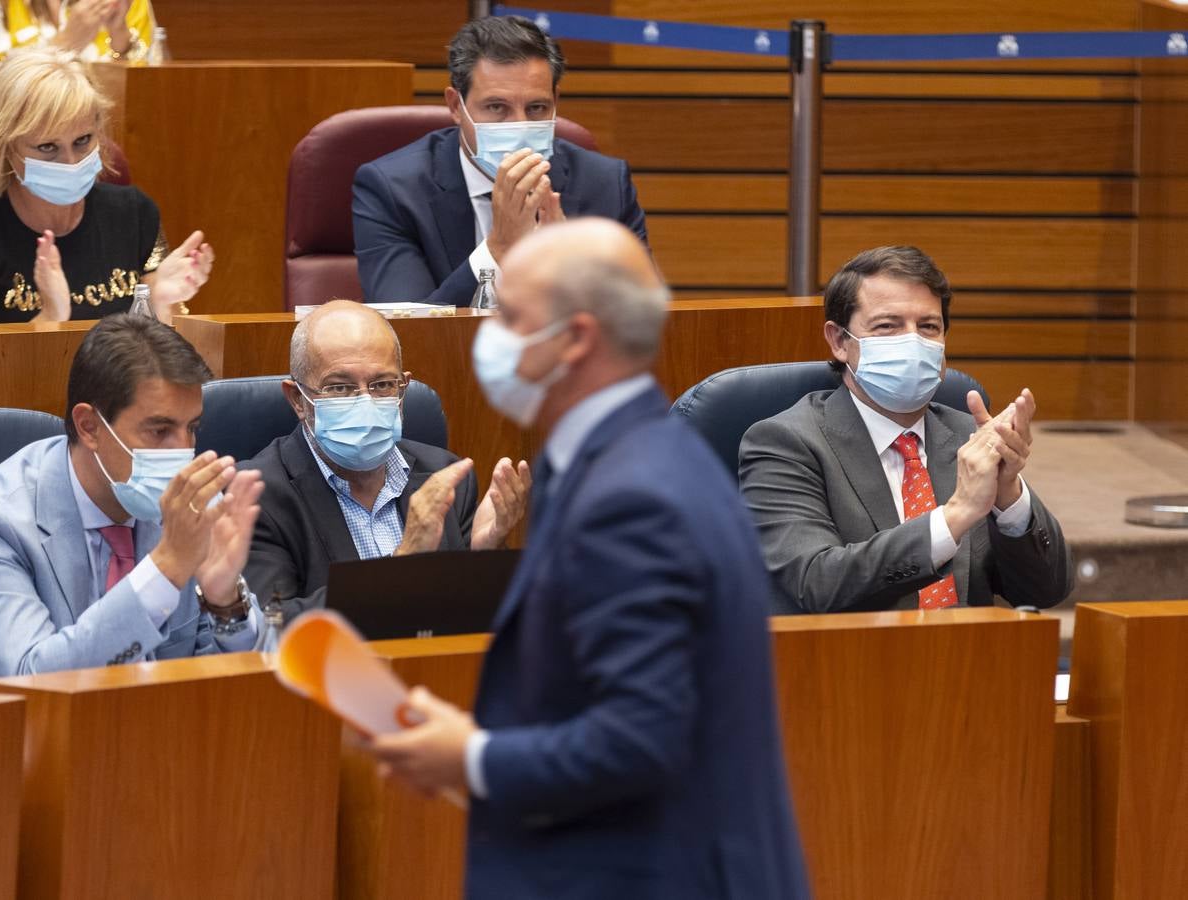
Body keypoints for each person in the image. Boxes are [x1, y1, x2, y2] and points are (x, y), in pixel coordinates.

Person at [369, 220, 810, 899]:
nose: (489, 334)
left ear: (574, 338)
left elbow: (641, 737)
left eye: (510, 316)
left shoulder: (629, 497)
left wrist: (470, 756)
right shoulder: (644, 456)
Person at [0, 315, 266, 691]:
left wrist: (225, 603)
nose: (183, 453)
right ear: (89, 426)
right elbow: (33, 682)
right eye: (159, 431)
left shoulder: (185, 509)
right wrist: (166, 567)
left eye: (192, 428)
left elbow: (224, 684)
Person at [738, 245, 1073, 614]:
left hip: (968, 659)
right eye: (887, 326)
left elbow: (1046, 590)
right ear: (839, 341)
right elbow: (815, 585)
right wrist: (955, 515)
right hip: (848, 662)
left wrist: (1008, 495)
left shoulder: (968, 435)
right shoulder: (786, 442)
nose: (912, 341)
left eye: (928, 327)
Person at [241, 300, 530, 619]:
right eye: (340, 387)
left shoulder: (444, 476)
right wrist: (401, 565)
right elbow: (271, 624)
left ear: (403, 385)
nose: (365, 401)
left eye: (382, 385)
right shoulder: (255, 496)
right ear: (298, 399)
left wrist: (484, 555)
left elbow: (470, 620)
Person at [352, 15, 648, 307]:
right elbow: (408, 331)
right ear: (456, 106)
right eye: (496, 107)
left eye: (536, 107)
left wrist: (572, 270)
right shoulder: (392, 190)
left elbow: (642, 323)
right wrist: (499, 247)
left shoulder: (606, 184)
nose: (519, 126)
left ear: (555, 100)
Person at [0, 47, 210, 326]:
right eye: (48, 146)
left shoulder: (134, 214)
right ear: (7, 148)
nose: (71, 161)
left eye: (83, 140)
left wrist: (160, 305)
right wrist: (50, 317)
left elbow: (164, 364)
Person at [0, 0, 158, 64]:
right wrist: (63, 45)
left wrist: (120, 39)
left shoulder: (125, 3)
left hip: (115, 145)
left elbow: (154, 100)